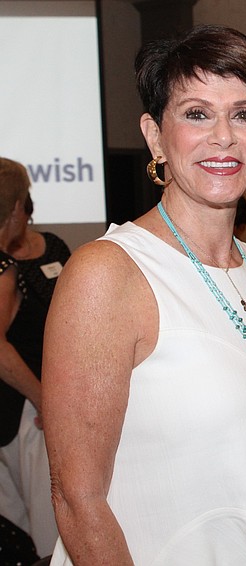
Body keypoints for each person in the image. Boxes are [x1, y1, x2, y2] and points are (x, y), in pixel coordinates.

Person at [42, 25, 246, 565]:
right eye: (197, 113)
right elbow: (79, 501)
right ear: (154, 136)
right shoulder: (108, 273)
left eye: (243, 114)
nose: (223, 136)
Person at [0, 157, 59, 559]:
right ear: (18, 208)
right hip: (19, 409)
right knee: (41, 527)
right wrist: (43, 398)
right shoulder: (3, 267)